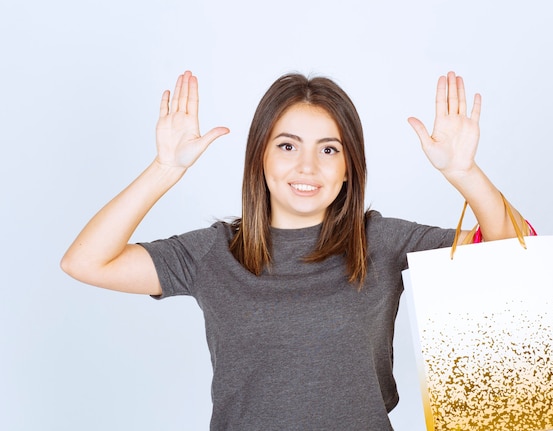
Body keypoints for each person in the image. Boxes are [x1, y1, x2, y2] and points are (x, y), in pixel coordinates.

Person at [61, 70, 526, 430]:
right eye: (287, 146)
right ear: (260, 157)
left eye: (329, 150)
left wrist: (465, 173)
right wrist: (164, 169)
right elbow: (85, 262)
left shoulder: (380, 242)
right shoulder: (214, 253)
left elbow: (517, 255)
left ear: (349, 169)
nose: (307, 166)